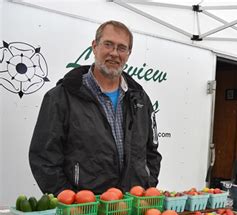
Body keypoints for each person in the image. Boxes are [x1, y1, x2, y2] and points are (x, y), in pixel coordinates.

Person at [29, 20, 162, 195]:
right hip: (84, 212)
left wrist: (146, 187)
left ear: (129, 53)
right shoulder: (61, 97)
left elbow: (151, 153)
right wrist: (69, 198)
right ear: (94, 46)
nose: (114, 53)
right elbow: (44, 158)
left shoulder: (140, 99)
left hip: (131, 209)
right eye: (108, 44)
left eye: (122, 48)